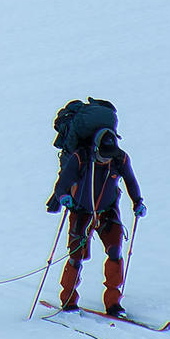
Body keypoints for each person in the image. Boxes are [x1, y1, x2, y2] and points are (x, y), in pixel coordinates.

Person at [46, 125, 146, 315]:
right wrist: (63, 197)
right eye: (104, 154)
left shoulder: (120, 159)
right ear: (95, 149)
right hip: (81, 210)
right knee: (76, 256)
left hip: (108, 211)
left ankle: (113, 303)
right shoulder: (80, 158)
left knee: (115, 251)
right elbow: (62, 185)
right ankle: (68, 299)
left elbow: (131, 181)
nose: (107, 158)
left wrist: (138, 202)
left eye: (110, 154)